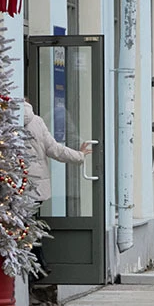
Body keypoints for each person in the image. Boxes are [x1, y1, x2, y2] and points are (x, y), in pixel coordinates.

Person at [23, 101, 91, 274]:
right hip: (36, 184)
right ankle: (38, 267)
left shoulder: (3, 121)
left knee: (24, 226)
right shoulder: (36, 121)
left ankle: (36, 267)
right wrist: (79, 155)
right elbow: (55, 149)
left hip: (15, 183)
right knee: (29, 225)